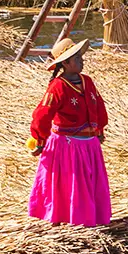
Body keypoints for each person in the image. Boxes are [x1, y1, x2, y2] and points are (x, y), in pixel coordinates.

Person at [28, 38, 112, 226]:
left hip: (89, 144)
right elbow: (42, 114)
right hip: (68, 146)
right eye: (76, 58)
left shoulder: (87, 81)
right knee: (72, 184)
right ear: (65, 63)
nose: (82, 60)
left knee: (90, 182)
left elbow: (98, 106)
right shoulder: (58, 86)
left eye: (80, 56)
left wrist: (99, 129)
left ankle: (92, 217)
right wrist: (39, 140)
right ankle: (70, 218)